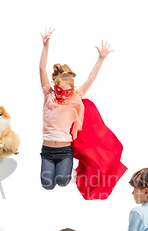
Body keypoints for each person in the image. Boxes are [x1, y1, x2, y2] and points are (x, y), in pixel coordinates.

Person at [39, 28, 114, 190]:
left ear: (72, 91)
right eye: (60, 91)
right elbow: (42, 70)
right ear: (55, 87)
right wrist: (45, 46)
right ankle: (60, 175)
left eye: (67, 92)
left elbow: (90, 79)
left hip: (65, 151)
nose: (64, 95)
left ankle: (70, 174)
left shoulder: (75, 99)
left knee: (62, 181)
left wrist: (100, 58)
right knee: (47, 185)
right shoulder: (49, 97)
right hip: (47, 151)